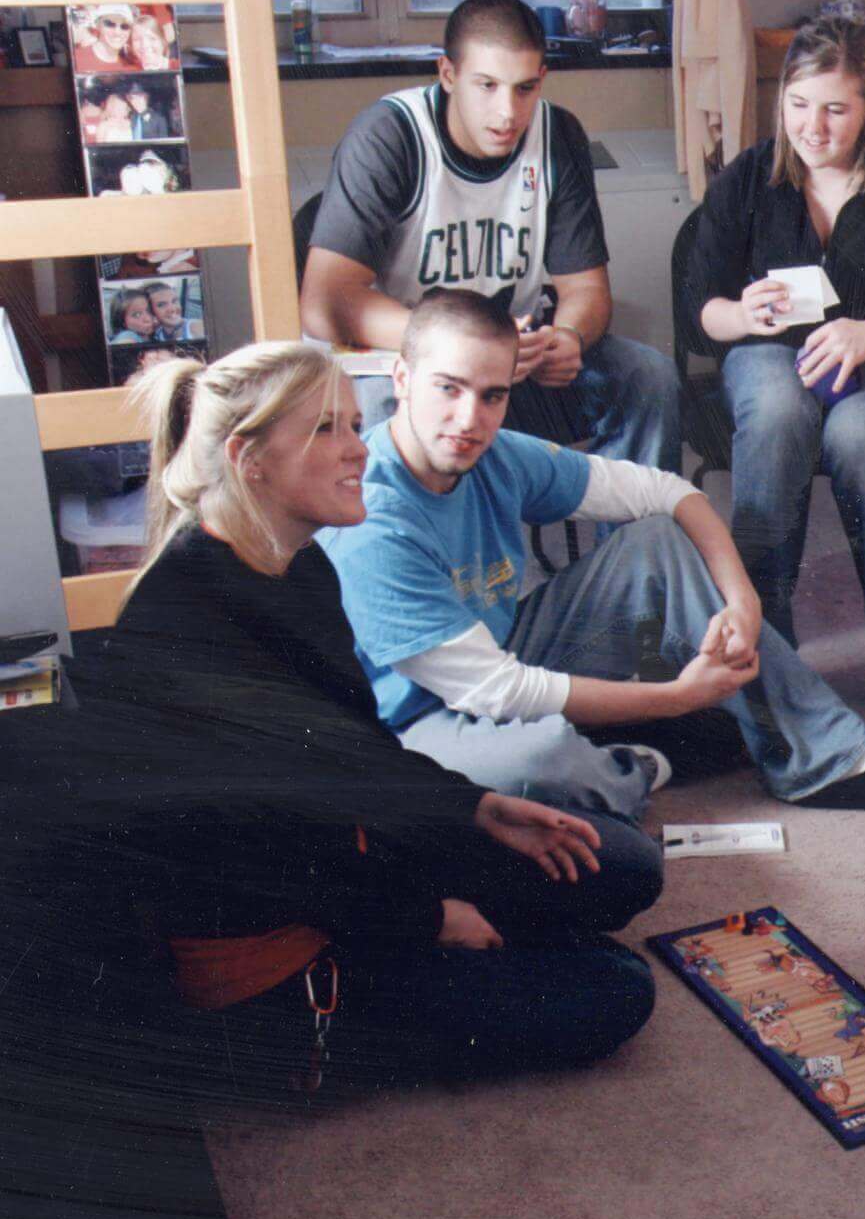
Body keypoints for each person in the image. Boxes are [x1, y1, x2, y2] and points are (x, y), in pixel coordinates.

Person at [101, 341, 660, 1101]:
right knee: (618, 990)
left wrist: (476, 808)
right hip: (277, 959)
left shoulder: (296, 561)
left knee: (621, 868)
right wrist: (429, 917)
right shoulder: (186, 631)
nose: (361, 450)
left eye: (356, 425)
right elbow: (267, 867)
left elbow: (356, 754)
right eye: (328, 429)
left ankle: (498, 941)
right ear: (248, 458)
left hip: (349, 861)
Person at [317, 288, 865, 827]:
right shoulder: (371, 517)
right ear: (400, 379)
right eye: (448, 388)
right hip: (410, 721)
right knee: (547, 763)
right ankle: (643, 759)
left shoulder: (493, 451)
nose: (470, 418)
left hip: (504, 644)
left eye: (492, 395)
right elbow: (493, 690)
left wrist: (741, 598)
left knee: (654, 539)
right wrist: (669, 700)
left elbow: (666, 492)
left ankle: (833, 757)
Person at [679, 15, 865, 725]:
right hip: (768, 353)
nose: (814, 126)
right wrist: (743, 315)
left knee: (859, 437)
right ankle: (761, 647)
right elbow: (699, 313)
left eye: (836, 109)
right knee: (778, 415)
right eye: (799, 105)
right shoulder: (749, 178)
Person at [300, 0, 682, 473]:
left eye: (524, 88)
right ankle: (416, 549)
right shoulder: (388, 136)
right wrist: (460, 347)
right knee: (379, 412)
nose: (507, 113)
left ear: (543, 79)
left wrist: (567, 336)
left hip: (513, 361)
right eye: (486, 86)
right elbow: (324, 303)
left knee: (647, 377)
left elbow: (586, 289)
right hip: (405, 357)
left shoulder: (557, 135)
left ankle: (634, 544)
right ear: (448, 74)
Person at [72, 5, 137, 74]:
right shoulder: (76, 60)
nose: (117, 32)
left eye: (124, 26)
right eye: (110, 24)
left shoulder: (132, 69)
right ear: (97, 25)